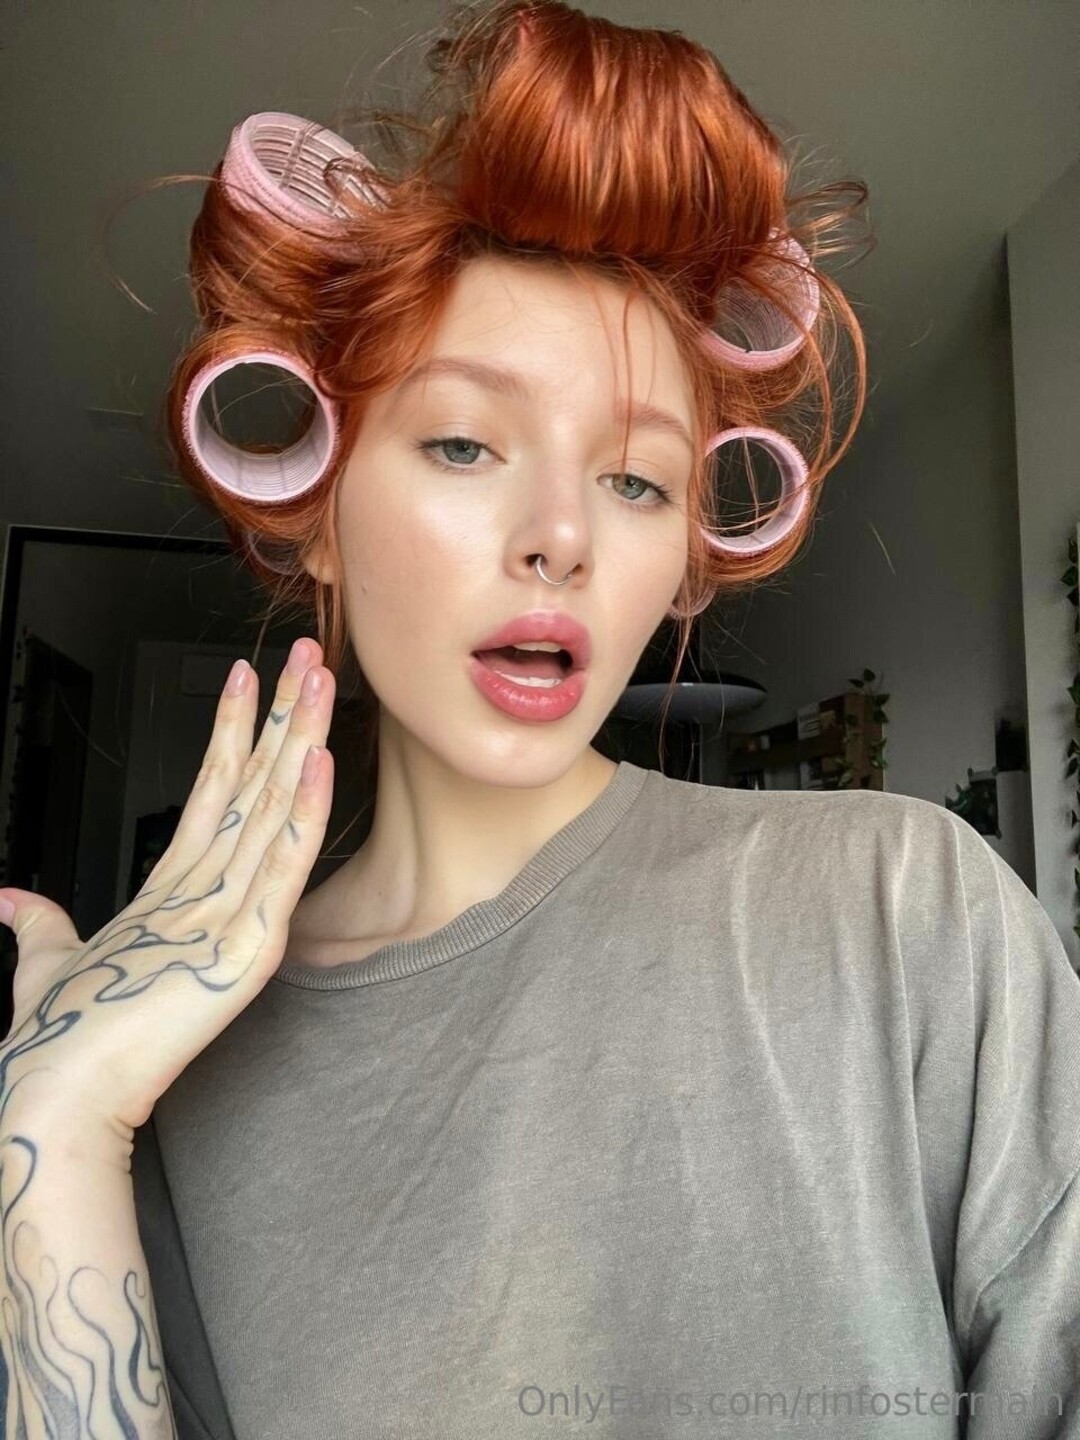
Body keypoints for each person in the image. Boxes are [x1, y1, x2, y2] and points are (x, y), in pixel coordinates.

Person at [2, 2, 1079, 1437]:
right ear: (315, 504)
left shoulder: (906, 914)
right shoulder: (173, 1079)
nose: (561, 536)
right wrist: (51, 1136)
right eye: (463, 443)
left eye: (636, 481)